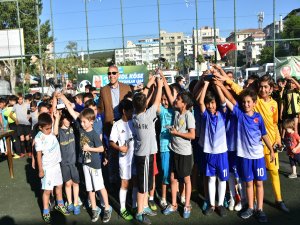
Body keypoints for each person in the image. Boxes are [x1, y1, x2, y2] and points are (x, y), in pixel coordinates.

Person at [216, 72, 290, 213]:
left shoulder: (274, 103)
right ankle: (254, 204)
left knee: (274, 172)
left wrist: (278, 140)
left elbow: (274, 124)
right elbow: (239, 92)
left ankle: (279, 200)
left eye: (266, 87)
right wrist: (227, 81)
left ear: (271, 88)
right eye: (261, 87)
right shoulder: (254, 101)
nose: (263, 90)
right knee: (254, 179)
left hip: (270, 144)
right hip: (256, 147)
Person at [221, 86, 274, 222]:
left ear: (254, 103)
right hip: (244, 157)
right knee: (248, 184)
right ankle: (250, 207)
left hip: (258, 157)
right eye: (244, 102)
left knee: (259, 184)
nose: (246, 104)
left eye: (249, 102)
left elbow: (264, 135)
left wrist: (271, 150)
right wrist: (220, 86)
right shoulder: (239, 114)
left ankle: (260, 209)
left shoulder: (258, 118)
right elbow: (227, 100)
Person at [60, 95, 112, 223]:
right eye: (81, 121)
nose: (81, 123)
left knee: (100, 186)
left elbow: (101, 149)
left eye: (84, 122)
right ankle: (94, 209)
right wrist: (62, 97)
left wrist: (89, 149)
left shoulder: (93, 133)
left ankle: (107, 207)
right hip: (85, 163)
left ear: (91, 121)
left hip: (94, 164)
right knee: (89, 188)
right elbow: (72, 112)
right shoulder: (81, 126)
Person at [132, 76, 163, 224]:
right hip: (144, 156)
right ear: (145, 106)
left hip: (146, 154)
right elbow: (156, 101)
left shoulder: (135, 115)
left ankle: (143, 207)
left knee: (146, 184)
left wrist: (150, 85)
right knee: (142, 187)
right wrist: (160, 85)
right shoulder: (146, 115)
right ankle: (139, 213)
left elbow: (144, 99)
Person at [198, 73, 229, 217]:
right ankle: (211, 204)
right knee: (211, 178)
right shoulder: (206, 115)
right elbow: (200, 103)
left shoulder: (222, 113)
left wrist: (217, 85)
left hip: (222, 152)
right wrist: (205, 84)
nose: (211, 106)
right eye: (209, 103)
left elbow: (223, 100)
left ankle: (221, 204)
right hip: (209, 152)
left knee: (222, 178)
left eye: (213, 103)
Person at [163, 91, 195, 219]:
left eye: (178, 99)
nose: (175, 100)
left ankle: (187, 205)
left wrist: (176, 133)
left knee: (186, 179)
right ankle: (174, 204)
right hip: (174, 150)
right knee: (173, 178)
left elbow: (192, 135)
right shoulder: (176, 112)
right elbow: (171, 98)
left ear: (184, 104)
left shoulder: (189, 116)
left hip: (185, 153)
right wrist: (163, 80)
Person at [98, 65, 132, 184]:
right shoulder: (103, 90)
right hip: (110, 125)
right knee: (112, 153)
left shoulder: (126, 87)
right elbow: (101, 109)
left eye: (113, 73)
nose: (111, 75)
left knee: (127, 152)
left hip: (125, 124)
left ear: (118, 74)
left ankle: (127, 179)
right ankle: (113, 180)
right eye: (109, 73)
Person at [35, 113, 70, 223]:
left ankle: (60, 204)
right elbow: (39, 155)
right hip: (47, 168)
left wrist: (56, 97)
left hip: (56, 165)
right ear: (40, 127)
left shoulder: (51, 131)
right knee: (47, 191)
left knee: (59, 186)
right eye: (47, 129)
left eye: (50, 127)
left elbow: (54, 130)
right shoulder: (39, 138)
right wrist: (40, 169)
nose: (49, 130)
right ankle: (46, 210)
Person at [110, 99, 136, 221]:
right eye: (131, 110)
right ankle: (122, 208)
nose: (132, 112)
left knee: (135, 181)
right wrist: (119, 147)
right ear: (124, 111)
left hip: (136, 158)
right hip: (124, 160)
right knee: (124, 183)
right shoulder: (117, 125)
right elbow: (111, 142)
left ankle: (135, 205)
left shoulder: (135, 121)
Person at [53, 108, 81, 215]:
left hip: (74, 162)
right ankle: (69, 202)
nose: (69, 121)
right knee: (68, 183)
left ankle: (76, 203)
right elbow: (55, 132)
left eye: (70, 119)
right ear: (62, 120)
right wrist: (57, 118)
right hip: (64, 163)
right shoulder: (59, 131)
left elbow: (77, 115)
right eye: (66, 119)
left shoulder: (74, 128)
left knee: (75, 183)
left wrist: (68, 108)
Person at [10, 93, 31, 158]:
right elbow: (10, 114)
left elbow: (30, 111)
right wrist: (15, 120)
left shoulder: (27, 105)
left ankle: (29, 152)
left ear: (23, 99)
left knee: (27, 138)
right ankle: (22, 153)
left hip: (27, 124)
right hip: (19, 125)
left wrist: (29, 116)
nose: (20, 101)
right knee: (21, 138)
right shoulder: (15, 106)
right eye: (18, 99)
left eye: (21, 99)